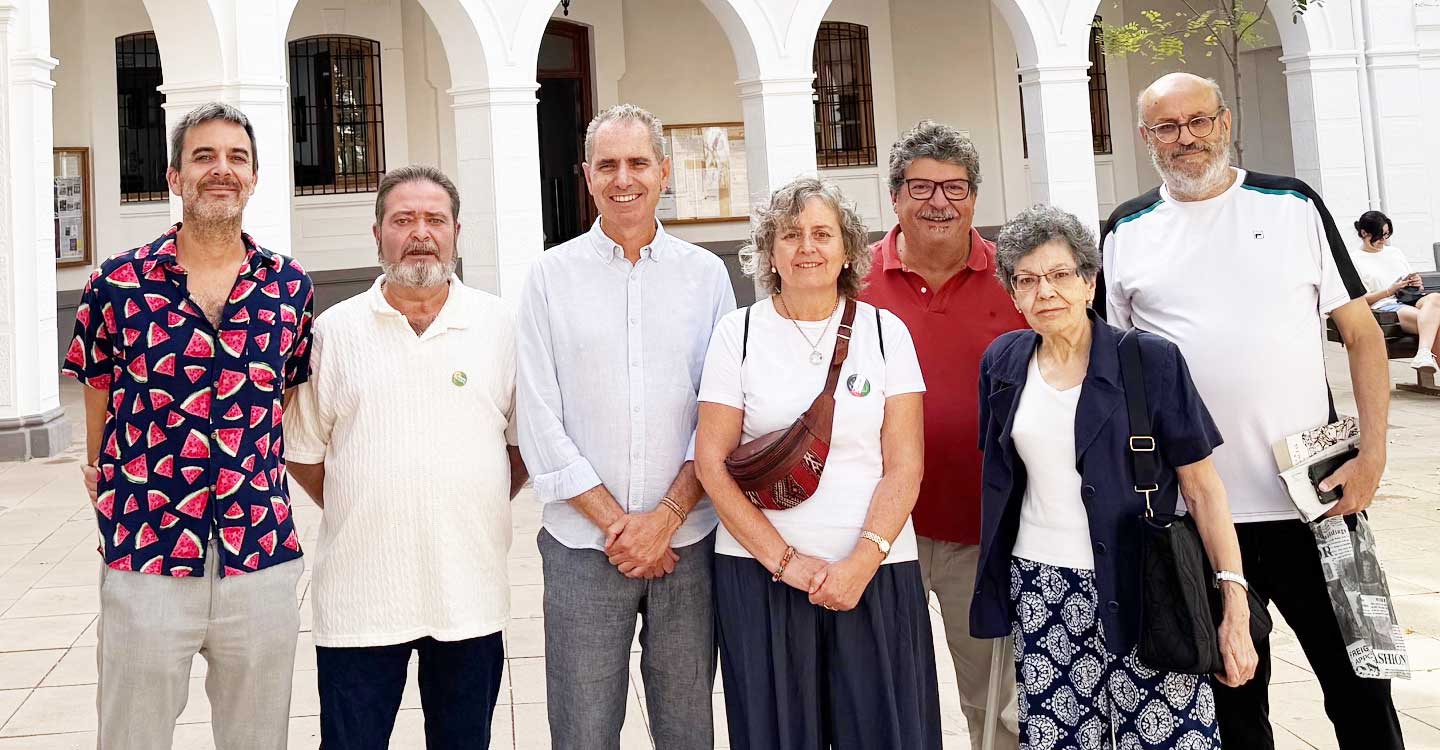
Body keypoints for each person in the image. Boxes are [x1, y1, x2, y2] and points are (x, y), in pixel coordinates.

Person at [1102, 72, 1399, 749]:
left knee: (1364, 688)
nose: (1187, 138)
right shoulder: (1126, 230)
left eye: (1199, 121)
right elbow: (1112, 375)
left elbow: (1362, 335)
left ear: (1226, 122)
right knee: (1232, 710)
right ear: (1147, 138)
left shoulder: (1292, 204)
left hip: (1321, 499)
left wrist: (1373, 457)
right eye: (1168, 128)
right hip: (1198, 518)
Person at [63, 102, 312, 749]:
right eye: (204, 156)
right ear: (174, 177)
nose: (221, 170)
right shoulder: (116, 284)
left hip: (257, 555)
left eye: (236, 158)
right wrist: (102, 470)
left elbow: (284, 391)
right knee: (131, 737)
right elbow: (96, 385)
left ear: (254, 178)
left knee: (257, 739)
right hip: (146, 551)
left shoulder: (289, 288)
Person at [974, 204, 1257, 750]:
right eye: (1027, 280)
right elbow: (1001, 480)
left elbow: (1202, 490)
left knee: (1170, 740)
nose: (1045, 292)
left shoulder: (1150, 361)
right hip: (1044, 590)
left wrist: (1234, 606)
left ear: (1089, 282)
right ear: (1012, 293)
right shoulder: (1003, 362)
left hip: (1147, 584)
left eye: (1060, 275)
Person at [283, 166, 527, 749]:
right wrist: (366, 496)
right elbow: (304, 452)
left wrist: (469, 492)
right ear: (377, 234)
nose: (420, 233)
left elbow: (521, 447)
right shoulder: (333, 333)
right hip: (360, 599)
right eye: (403, 220)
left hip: (468, 592)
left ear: (457, 232)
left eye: (434, 220)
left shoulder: (499, 326)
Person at [516, 103, 735, 750]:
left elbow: (720, 415)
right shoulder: (549, 278)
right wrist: (623, 528)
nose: (623, 178)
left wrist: (664, 520)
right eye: (607, 165)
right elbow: (538, 416)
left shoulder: (706, 277)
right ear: (586, 176)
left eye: (638, 162)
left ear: (663, 171)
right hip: (584, 547)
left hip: (689, 545)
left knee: (688, 727)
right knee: (583, 731)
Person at [695, 176, 941, 750]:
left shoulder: (886, 333)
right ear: (770, 252)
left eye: (822, 233)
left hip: (875, 572)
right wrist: (785, 562)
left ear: (849, 248)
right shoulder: (740, 333)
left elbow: (904, 466)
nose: (808, 246)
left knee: (886, 735)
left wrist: (861, 561)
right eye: (791, 234)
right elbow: (711, 463)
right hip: (761, 576)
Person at [859, 120, 1025, 750]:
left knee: (998, 706)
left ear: (974, 198)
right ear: (895, 197)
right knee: (886, 695)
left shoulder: (1016, 279)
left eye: (954, 188)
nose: (938, 202)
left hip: (983, 532)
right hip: (878, 532)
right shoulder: (854, 283)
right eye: (921, 187)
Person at [1351, 210, 1438, 373]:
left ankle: (1423, 354)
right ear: (1364, 233)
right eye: (1380, 235)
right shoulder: (1355, 259)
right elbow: (1362, 299)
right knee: (1432, 321)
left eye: (1386, 235)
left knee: (1435, 298)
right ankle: (1424, 354)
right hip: (1385, 305)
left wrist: (1416, 283)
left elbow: (1411, 281)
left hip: (1410, 297)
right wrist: (1389, 290)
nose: (1384, 240)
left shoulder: (1394, 252)